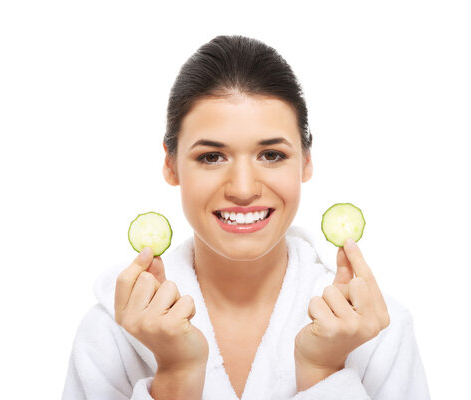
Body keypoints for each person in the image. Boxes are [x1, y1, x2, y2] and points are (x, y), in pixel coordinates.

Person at [62, 35, 430, 400]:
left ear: (306, 159)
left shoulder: (377, 333)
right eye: (211, 157)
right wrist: (175, 376)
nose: (242, 188)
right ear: (170, 164)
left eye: (271, 155)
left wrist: (323, 374)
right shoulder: (109, 336)